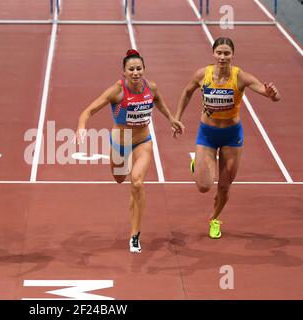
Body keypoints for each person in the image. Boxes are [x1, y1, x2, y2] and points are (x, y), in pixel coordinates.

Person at [75, 49, 184, 253]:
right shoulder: (117, 91)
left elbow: (158, 101)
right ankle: (131, 198)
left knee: (137, 182)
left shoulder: (151, 87)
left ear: (144, 69)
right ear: (124, 72)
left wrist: (171, 118)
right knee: (119, 178)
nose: (136, 73)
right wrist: (81, 126)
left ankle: (135, 235)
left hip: (143, 140)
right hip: (121, 140)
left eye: (139, 69)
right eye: (131, 69)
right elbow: (88, 111)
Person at [174, 37, 280, 239]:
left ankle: (214, 219)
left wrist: (272, 94)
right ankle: (198, 163)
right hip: (208, 133)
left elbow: (269, 94)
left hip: (232, 136)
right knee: (204, 186)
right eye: (219, 53)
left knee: (224, 185)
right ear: (213, 54)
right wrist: (176, 118)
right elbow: (187, 92)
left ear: (232, 55)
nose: (222, 57)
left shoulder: (240, 77)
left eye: (226, 53)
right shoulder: (202, 74)